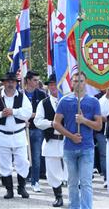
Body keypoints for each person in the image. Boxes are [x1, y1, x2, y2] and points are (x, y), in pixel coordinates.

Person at [53, 71, 102, 209]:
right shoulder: (64, 101)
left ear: (85, 82)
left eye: (81, 81)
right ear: (71, 83)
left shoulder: (93, 102)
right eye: (75, 81)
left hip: (87, 147)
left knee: (86, 182)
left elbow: (99, 126)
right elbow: (56, 123)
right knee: (72, 182)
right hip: (69, 147)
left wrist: (84, 120)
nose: (78, 83)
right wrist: (71, 136)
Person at [0, 72, 32, 199]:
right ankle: (9, 190)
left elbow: (27, 112)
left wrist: (14, 112)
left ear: (16, 83)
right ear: (4, 83)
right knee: (4, 163)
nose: (10, 84)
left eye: (13, 81)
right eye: (8, 81)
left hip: (19, 135)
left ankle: (21, 188)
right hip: (2, 135)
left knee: (23, 161)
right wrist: (1, 114)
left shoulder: (22, 97)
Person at [34, 74, 67, 207]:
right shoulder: (44, 103)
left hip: (67, 141)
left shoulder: (69, 101)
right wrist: (51, 123)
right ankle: (58, 196)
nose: (54, 87)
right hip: (51, 140)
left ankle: (75, 196)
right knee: (52, 172)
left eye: (56, 84)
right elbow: (37, 121)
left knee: (71, 171)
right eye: (51, 84)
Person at [24, 70, 47, 192]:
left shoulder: (42, 95)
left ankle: (35, 181)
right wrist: (24, 118)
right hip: (22, 130)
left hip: (37, 130)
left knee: (36, 156)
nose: (37, 82)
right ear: (28, 80)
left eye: (38, 80)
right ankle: (23, 179)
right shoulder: (20, 94)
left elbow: (42, 113)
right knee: (24, 157)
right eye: (34, 80)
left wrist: (30, 115)